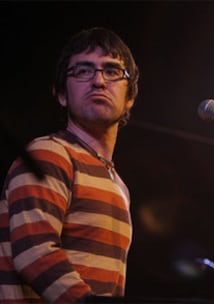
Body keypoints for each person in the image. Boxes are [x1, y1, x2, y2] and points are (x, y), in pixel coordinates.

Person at [0, 27, 139, 303]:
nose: (98, 81)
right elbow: (34, 253)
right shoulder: (50, 153)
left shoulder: (119, 184)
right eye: (83, 71)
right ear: (62, 94)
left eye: (112, 71)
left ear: (130, 99)